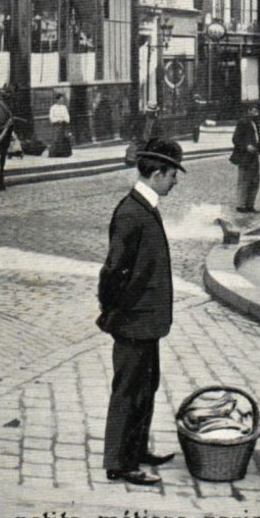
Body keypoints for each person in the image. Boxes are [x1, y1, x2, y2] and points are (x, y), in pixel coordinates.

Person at [96, 139, 186, 487]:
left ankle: (137, 449)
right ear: (158, 173)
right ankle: (120, 463)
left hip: (146, 321)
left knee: (146, 386)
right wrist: (114, 311)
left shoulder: (145, 206)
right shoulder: (131, 213)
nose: (175, 182)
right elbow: (113, 271)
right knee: (128, 390)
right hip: (133, 320)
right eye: (173, 175)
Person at [230, 102, 260, 212]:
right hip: (245, 156)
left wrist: (259, 147)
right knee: (244, 180)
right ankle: (241, 205)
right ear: (249, 111)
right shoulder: (243, 122)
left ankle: (250, 205)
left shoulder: (255, 123)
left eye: (257, 110)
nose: (256, 112)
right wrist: (246, 146)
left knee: (255, 180)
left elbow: (257, 138)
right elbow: (235, 139)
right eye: (254, 110)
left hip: (254, 155)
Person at [48, 93, 72, 158]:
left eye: (62, 100)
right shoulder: (53, 108)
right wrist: (58, 120)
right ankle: (55, 154)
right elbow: (51, 118)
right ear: (57, 100)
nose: (61, 101)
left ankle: (63, 154)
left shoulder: (64, 107)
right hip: (56, 126)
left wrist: (64, 120)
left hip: (63, 125)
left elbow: (67, 116)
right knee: (56, 139)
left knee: (64, 139)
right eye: (60, 100)